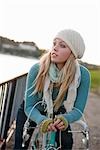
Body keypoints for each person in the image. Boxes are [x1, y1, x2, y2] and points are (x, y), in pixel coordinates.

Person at [15, 29, 91, 150]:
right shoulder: (37, 69)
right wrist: (42, 120)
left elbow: (78, 109)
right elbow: (29, 106)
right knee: (20, 144)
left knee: (67, 144)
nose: (55, 48)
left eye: (62, 45)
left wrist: (66, 119)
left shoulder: (83, 75)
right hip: (33, 109)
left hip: (58, 110)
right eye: (54, 43)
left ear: (73, 53)